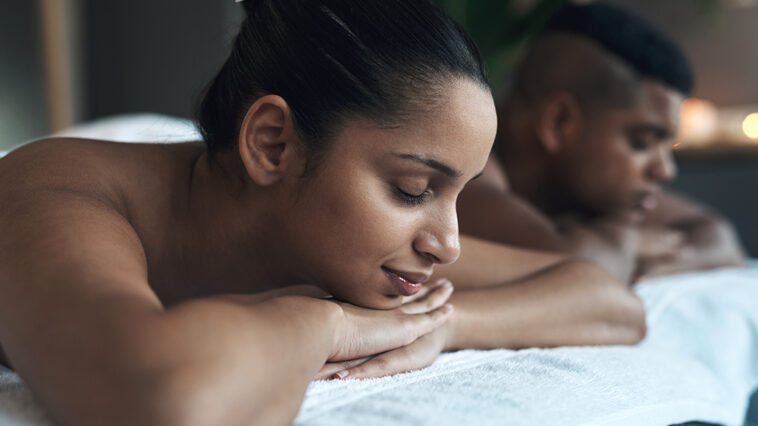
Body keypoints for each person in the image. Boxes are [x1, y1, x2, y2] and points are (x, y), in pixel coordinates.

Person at [0, 1, 643, 424]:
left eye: (460, 194)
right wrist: (327, 325)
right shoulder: (57, 192)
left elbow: (608, 300)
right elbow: (161, 401)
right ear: (272, 143)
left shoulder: (330, 238)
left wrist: (442, 324)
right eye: (415, 188)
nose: (448, 244)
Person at [457, 2, 745, 284]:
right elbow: (574, 267)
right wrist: (628, 238)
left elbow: (717, 234)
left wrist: (626, 249)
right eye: (642, 143)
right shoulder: (467, 165)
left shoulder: (592, 191)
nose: (665, 171)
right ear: (558, 123)